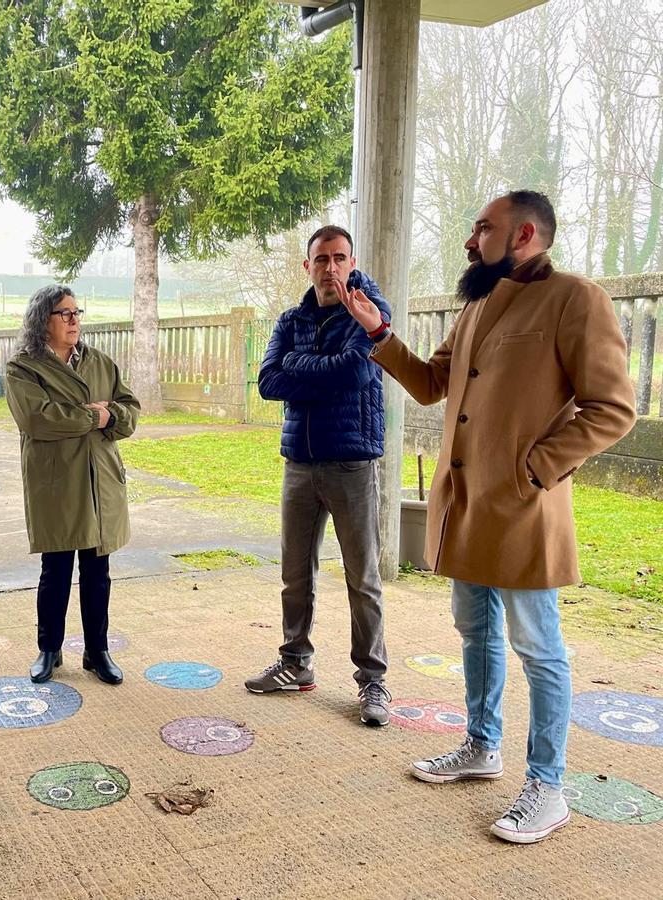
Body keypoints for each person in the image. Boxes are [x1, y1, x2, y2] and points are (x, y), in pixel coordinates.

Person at [342, 190, 636, 843]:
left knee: (539, 647)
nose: (470, 241)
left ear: (524, 234)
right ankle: (481, 745)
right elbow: (431, 384)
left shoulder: (575, 298)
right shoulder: (478, 304)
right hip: (466, 507)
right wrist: (379, 334)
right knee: (475, 631)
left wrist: (535, 469)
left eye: (483, 228)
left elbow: (613, 408)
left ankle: (548, 786)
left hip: (524, 509)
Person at [244, 225, 393, 727]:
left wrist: (297, 365)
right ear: (307, 267)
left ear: (352, 262)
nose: (331, 267)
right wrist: (315, 369)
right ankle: (295, 662)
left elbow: (355, 373)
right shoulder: (291, 319)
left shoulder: (370, 312)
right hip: (299, 464)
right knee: (295, 574)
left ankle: (373, 681)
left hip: (352, 463)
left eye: (339, 257)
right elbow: (269, 381)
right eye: (322, 259)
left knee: (362, 579)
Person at [5, 284, 140, 685]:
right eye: (64, 313)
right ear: (42, 320)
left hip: (100, 480)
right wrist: (95, 417)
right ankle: (49, 649)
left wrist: (112, 415)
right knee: (56, 569)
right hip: (57, 483)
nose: (74, 320)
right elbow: (38, 419)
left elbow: (130, 411)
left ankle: (97, 652)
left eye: (77, 312)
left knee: (98, 572)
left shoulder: (100, 362)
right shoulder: (24, 368)